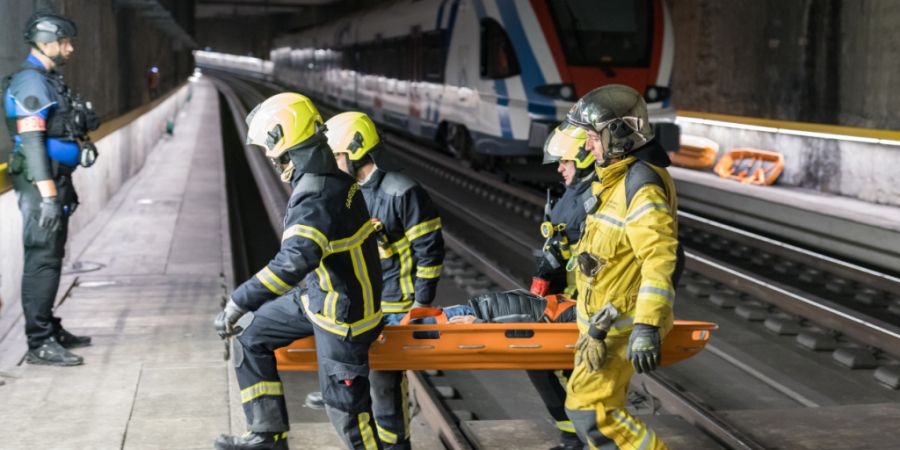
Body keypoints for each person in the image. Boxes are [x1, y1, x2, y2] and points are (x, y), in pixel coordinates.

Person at [213, 93, 384, 450]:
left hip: (344, 318)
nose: (270, 158)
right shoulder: (332, 178)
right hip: (322, 298)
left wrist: (238, 300)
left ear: (285, 143)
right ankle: (266, 435)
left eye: (269, 150)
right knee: (250, 338)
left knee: (350, 418)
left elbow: (292, 264)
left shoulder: (316, 195)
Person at [310, 111, 444, 450]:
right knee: (358, 376)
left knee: (384, 383)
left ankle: (396, 445)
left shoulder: (402, 192)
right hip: (363, 305)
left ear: (355, 151)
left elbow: (429, 251)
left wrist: (422, 304)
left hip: (395, 306)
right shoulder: (349, 191)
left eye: (336, 155)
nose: (333, 163)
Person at [563, 84, 684, 450]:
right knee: (591, 407)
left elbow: (659, 259)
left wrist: (646, 326)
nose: (587, 147)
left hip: (623, 325)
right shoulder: (616, 179)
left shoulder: (641, 186)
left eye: (591, 138)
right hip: (603, 324)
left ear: (616, 136)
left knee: (590, 410)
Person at [3, 11, 100, 366]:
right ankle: (39, 342)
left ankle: (48, 326)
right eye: (65, 42)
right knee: (42, 261)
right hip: (39, 184)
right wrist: (47, 195)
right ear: (47, 43)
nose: (71, 49)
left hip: (55, 181)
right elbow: (31, 141)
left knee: (52, 258)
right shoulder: (31, 83)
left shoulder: (48, 79)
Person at [527, 124, 596, 450]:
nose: (559, 167)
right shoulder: (574, 193)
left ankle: (578, 438)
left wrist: (556, 259)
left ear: (582, 158)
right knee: (549, 366)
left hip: (585, 306)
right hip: (566, 301)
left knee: (541, 360)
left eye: (565, 161)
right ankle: (574, 438)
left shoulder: (593, 197)